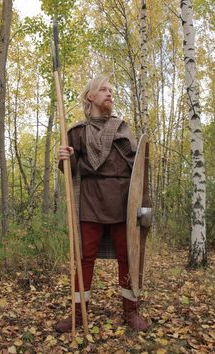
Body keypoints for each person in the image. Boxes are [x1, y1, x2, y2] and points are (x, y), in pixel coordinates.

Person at [56, 75, 149, 332]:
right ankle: (77, 312)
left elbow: (138, 168)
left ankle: (131, 311)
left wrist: (143, 204)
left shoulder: (122, 129)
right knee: (83, 258)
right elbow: (70, 169)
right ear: (90, 97)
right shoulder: (77, 132)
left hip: (123, 203)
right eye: (104, 90)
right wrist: (64, 157)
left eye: (111, 90)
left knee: (127, 258)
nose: (109, 94)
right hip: (90, 201)